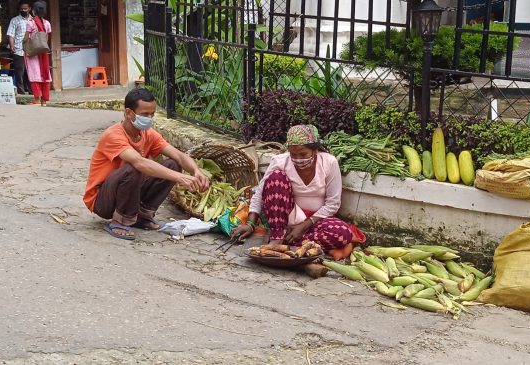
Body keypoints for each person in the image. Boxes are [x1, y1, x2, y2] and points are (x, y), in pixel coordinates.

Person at [84, 88, 211, 240]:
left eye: (152, 114)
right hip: (103, 200)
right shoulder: (113, 135)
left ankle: (142, 216)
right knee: (134, 168)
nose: (149, 118)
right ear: (129, 113)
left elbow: (178, 154)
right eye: (145, 114)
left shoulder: (148, 133)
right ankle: (120, 220)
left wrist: (196, 171)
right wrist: (180, 178)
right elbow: (139, 163)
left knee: (173, 164)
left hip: (131, 192)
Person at [231, 125, 355, 259]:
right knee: (276, 177)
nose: (298, 159)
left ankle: (289, 243)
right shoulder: (280, 161)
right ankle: (278, 238)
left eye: (303, 154)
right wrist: (250, 224)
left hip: (314, 221)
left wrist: (303, 227)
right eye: (293, 154)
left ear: (315, 150)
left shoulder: (329, 162)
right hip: (283, 218)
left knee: (342, 233)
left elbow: (333, 203)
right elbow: (259, 194)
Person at [24, 0, 50, 106]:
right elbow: (46, 38)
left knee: (34, 74)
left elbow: (26, 38)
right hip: (43, 52)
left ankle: (37, 99)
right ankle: (44, 100)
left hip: (33, 53)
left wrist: (25, 46)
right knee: (45, 74)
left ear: (33, 11)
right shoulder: (47, 23)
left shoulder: (31, 23)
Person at [7, 1, 31, 95]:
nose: (23, 10)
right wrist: (12, 45)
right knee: (19, 71)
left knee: (30, 71)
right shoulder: (15, 20)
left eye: (25, 9)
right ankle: (21, 91)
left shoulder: (33, 20)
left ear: (29, 9)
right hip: (18, 49)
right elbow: (11, 35)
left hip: (30, 50)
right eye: (21, 9)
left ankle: (30, 89)